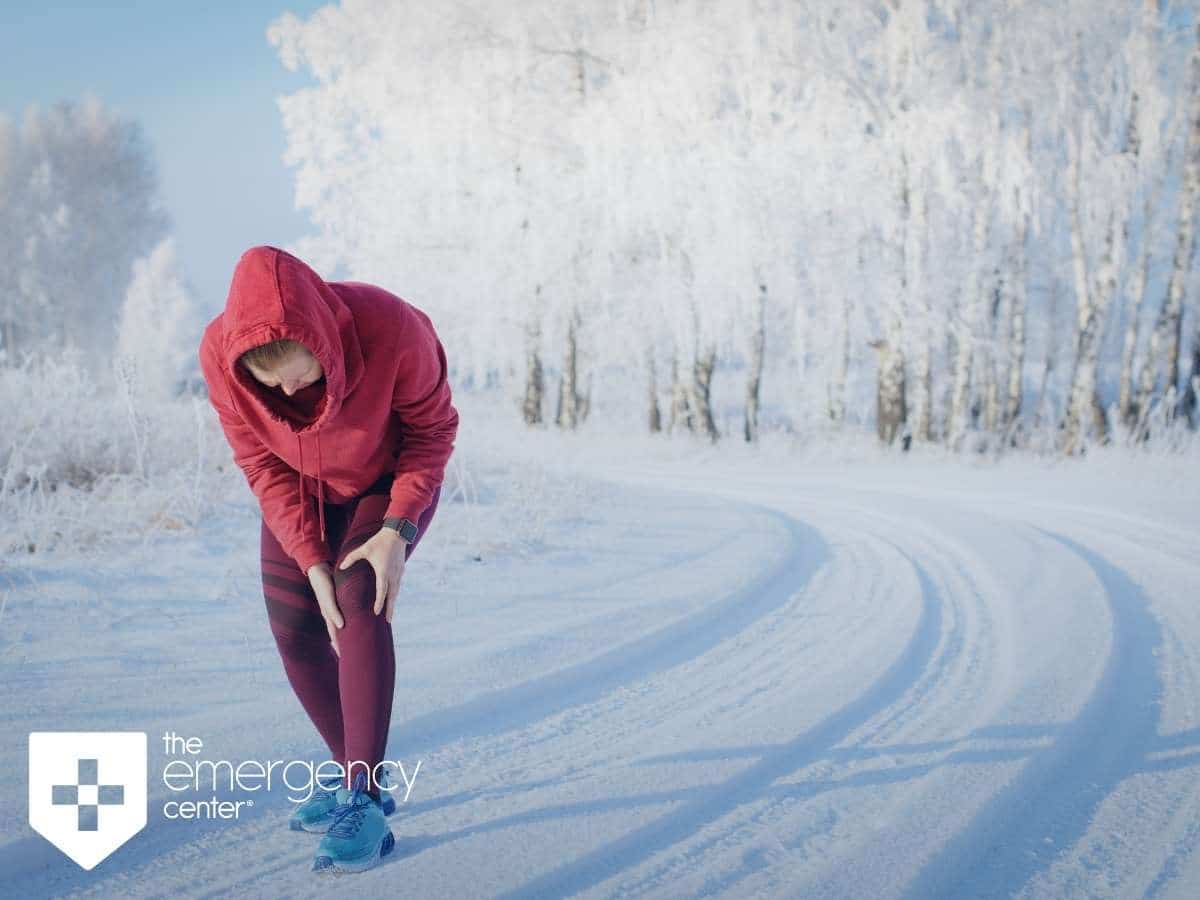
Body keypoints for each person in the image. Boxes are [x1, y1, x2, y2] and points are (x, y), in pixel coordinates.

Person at [197, 245, 459, 873]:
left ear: (325, 340)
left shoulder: (394, 327)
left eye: (303, 374)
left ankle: (363, 802)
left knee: (359, 599)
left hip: (388, 485)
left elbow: (432, 431)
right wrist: (309, 558)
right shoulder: (217, 355)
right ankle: (351, 775)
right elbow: (260, 461)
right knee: (295, 625)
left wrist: (398, 528)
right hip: (302, 492)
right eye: (273, 382)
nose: (290, 391)